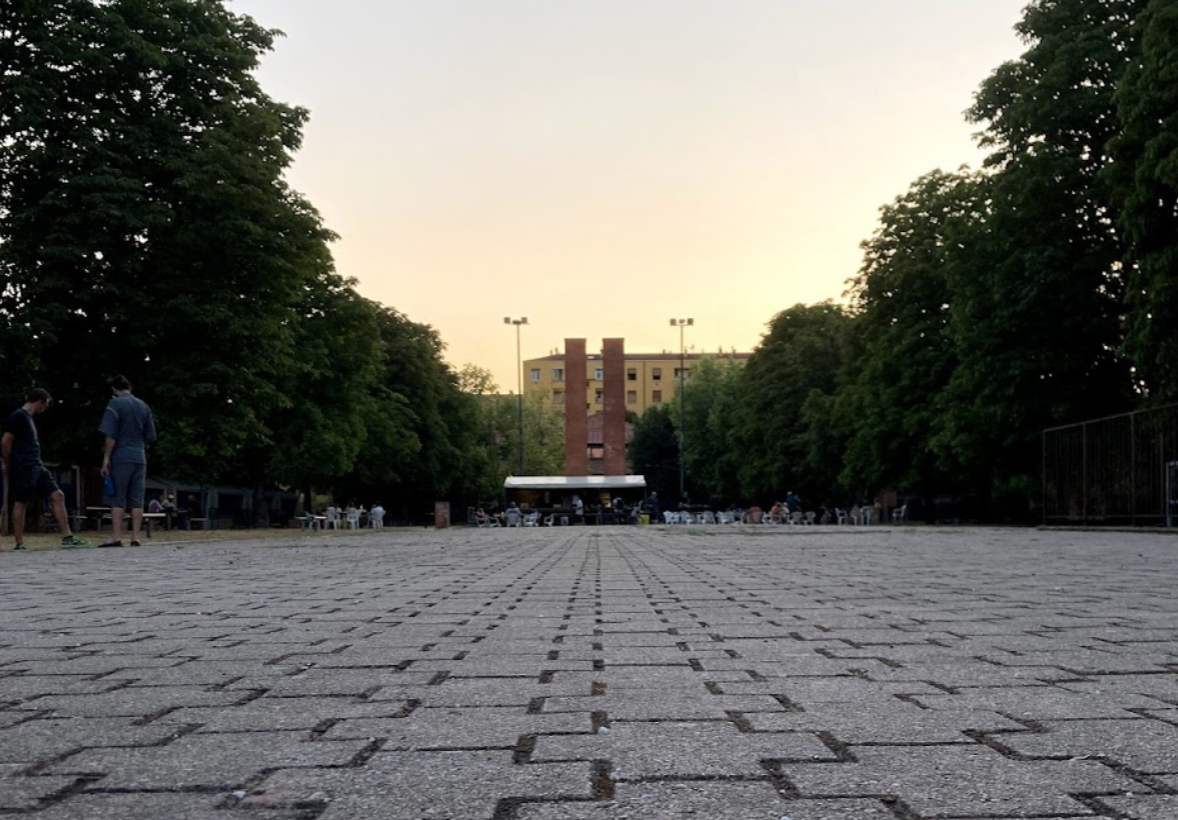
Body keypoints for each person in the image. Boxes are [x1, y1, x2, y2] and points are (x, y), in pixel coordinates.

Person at [2, 388, 89, 550]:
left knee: (57, 495)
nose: (45, 409)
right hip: (24, 466)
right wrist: (8, 463)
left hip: (37, 465)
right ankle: (19, 543)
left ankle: (67, 537)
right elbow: (6, 440)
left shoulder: (29, 419)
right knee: (21, 502)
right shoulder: (18, 416)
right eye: (45, 405)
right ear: (39, 401)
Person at [98, 375, 157, 547]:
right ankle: (135, 537)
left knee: (118, 497)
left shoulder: (115, 404)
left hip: (121, 456)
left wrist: (106, 457)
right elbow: (151, 436)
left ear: (114, 389)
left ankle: (116, 537)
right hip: (139, 456)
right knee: (137, 499)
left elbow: (111, 434)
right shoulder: (143, 406)